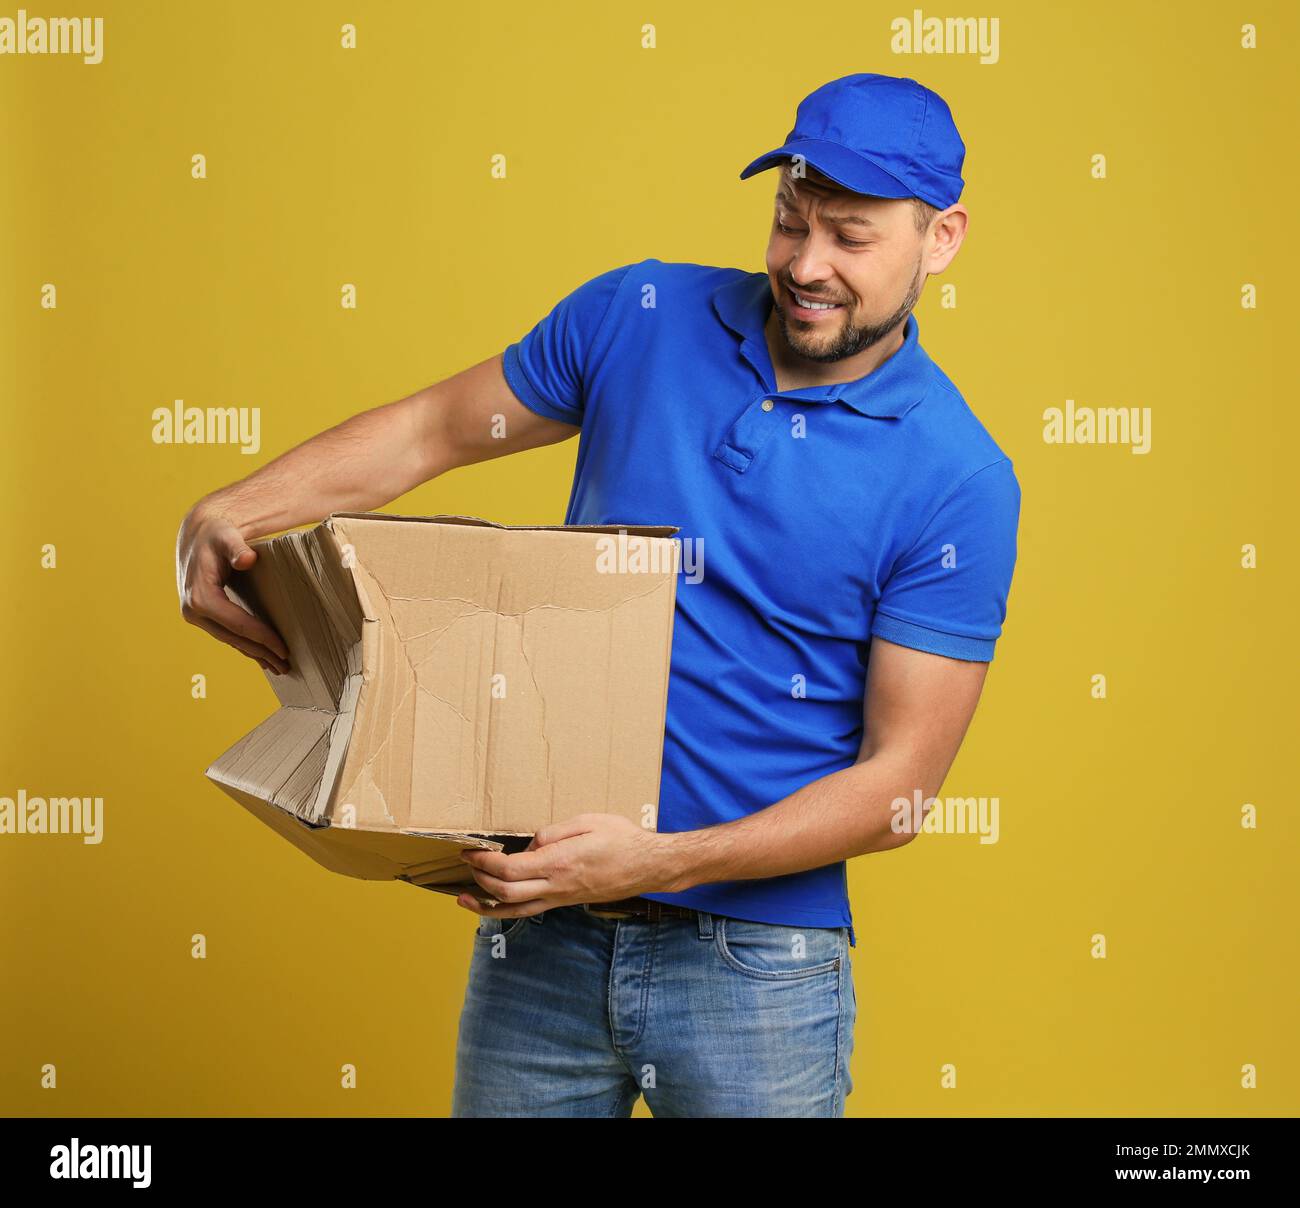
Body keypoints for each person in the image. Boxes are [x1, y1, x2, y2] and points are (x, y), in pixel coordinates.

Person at [175, 72, 1021, 1117]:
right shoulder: (641, 315)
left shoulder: (957, 478)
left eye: (850, 238)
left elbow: (900, 784)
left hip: (756, 970)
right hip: (541, 936)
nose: (806, 266)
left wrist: (661, 857)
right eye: (788, 223)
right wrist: (235, 507)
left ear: (940, 239)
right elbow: (434, 428)